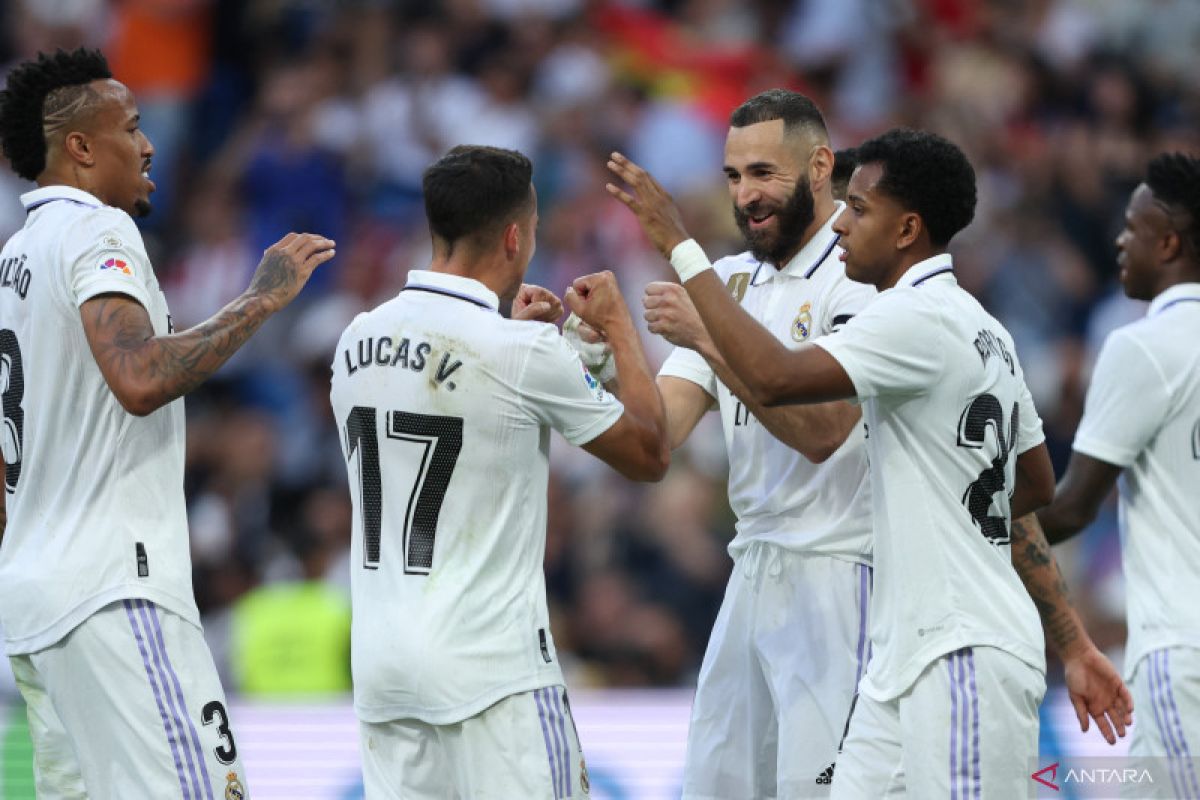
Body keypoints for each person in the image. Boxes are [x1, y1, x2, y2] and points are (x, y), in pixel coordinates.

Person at [594, 127, 1133, 796]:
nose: (844, 225)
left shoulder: (904, 318)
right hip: (901, 646)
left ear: (907, 228)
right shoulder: (984, 328)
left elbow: (779, 382)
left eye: (861, 209)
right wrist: (1071, 639)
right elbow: (1030, 486)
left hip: (944, 635)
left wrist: (680, 250)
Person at [0, 48, 335, 797]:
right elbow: (140, 377)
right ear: (81, 148)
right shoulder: (96, 233)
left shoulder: (14, 257)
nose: (149, 144)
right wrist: (262, 298)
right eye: (131, 125)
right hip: (114, 588)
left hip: (34, 601)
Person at [329, 145, 669, 800]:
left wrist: (524, 341)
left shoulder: (355, 338)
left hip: (383, 667)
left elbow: (461, 395)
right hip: (492, 673)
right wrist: (619, 329)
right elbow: (650, 453)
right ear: (516, 237)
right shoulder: (520, 350)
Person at [625, 89, 876, 798]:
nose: (746, 195)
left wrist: (708, 328)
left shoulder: (861, 275)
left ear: (821, 165)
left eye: (764, 173)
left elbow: (825, 432)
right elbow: (657, 435)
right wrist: (610, 340)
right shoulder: (731, 278)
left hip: (840, 571)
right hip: (753, 569)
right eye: (734, 177)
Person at [1032, 152, 1200, 797]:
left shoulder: (1142, 345)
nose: (1120, 241)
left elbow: (1073, 508)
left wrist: (968, 536)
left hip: (1181, 653)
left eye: (1133, 227)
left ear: (1171, 241)